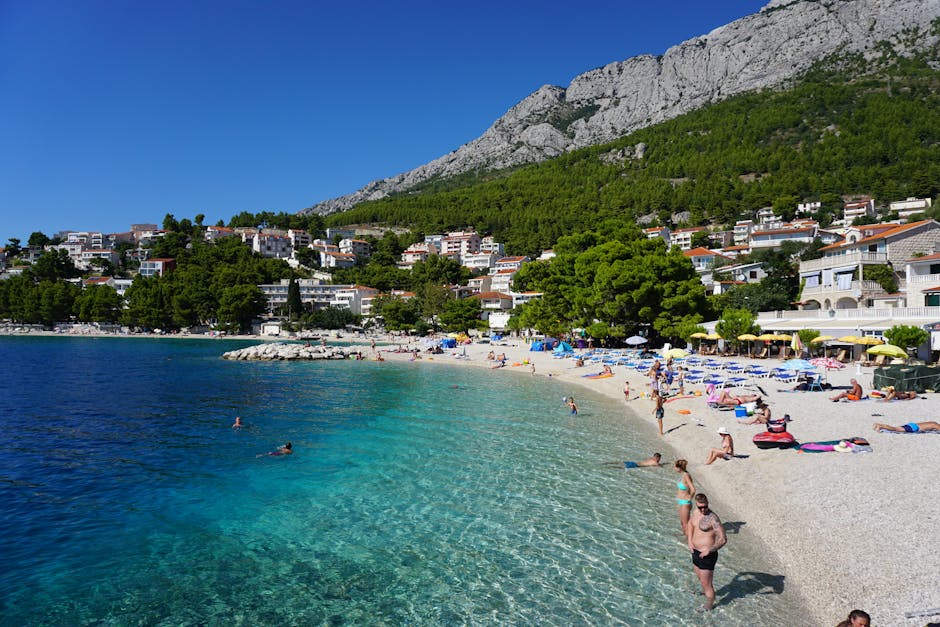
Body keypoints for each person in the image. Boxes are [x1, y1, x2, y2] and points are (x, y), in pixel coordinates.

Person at [687, 493, 727, 611]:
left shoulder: (713, 518)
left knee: (707, 584)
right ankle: (706, 592)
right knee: (701, 579)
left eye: (705, 506)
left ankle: (709, 605)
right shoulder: (695, 512)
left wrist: (710, 550)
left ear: (708, 504)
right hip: (695, 552)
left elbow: (723, 539)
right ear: (696, 505)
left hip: (707, 556)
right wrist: (689, 541)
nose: (703, 509)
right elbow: (690, 524)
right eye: (701, 507)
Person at [674, 459, 696, 533]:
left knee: (686, 524)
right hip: (681, 501)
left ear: (679, 467)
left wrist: (689, 498)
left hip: (685, 502)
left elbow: (693, 489)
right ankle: (685, 538)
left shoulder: (686, 475)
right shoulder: (684, 474)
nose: (674, 468)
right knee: (682, 523)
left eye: (675, 467)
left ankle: (689, 541)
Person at [872, 420, 940, 433]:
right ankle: (880, 425)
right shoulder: (935, 425)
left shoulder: (934, 423)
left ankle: (880, 425)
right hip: (914, 428)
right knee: (895, 429)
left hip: (912, 425)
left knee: (896, 428)